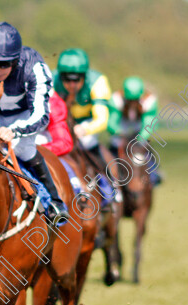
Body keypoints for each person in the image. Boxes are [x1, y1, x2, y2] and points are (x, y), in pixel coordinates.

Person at [0, 22, 68, 222]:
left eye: (4, 64)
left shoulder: (33, 65)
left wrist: (15, 130)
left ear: (16, 60)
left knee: (23, 149)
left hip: (24, 115)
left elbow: (41, 114)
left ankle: (54, 200)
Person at [52, 48, 119, 204]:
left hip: (87, 122)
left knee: (88, 142)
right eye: (67, 80)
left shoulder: (98, 82)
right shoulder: (52, 80)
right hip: (61, 122)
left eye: (76, 79)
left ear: (85, 76)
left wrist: (84, 129)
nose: (71, 84)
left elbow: (101, 119)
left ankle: (110, 185)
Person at [107, 76, 162, 186]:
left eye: (135, 100)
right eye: (129, 100)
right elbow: (111, 123)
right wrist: (119, 132)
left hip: (139, 130)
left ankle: (154, 174)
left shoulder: (149, 101)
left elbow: (149, 125)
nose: (132, 103)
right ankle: (109, 179)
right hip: (121, 130)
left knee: (144, 151)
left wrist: (140, 138)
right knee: (113, 151)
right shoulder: (116, 99)